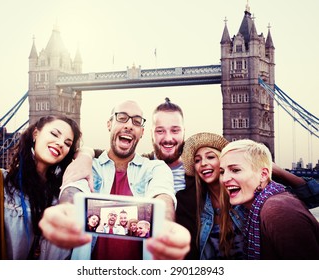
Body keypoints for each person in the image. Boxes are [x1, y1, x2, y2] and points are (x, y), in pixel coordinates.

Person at [61, 97, 319, 259]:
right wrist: (83, 153)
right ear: (148, 133)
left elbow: (308, 196)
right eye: (160, 130)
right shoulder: (148, 167)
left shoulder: (210, 175)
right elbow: (112, 156)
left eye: (175, 130)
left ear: (184, 131)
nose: (168, 138)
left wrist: (268, 166)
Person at [39, 100, 191, 260]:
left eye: (137, 121)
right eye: (122, 117)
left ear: (142, 132)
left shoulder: (156, 168)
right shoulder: (89, 166)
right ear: (109, 124)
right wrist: (66, 210)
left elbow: (163, 197)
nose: (129, 125)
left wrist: (165, 226)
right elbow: (73, 189)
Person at [0, 115, 82, 260]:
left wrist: (86, 154)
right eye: (54, 134)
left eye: (67, 143)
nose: (60, 144)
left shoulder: (63, 194)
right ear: (35, 134)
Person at [219, 139, 319, 259]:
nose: (224, 179)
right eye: (222, 172)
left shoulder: (278, 211)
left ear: (263, 175)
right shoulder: (257, 206)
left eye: (235, 170)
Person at [181, 132, 244, 259]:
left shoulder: (243, 197)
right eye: (197, 160)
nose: (203, 163)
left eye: (210, 157)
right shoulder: (199, 204)